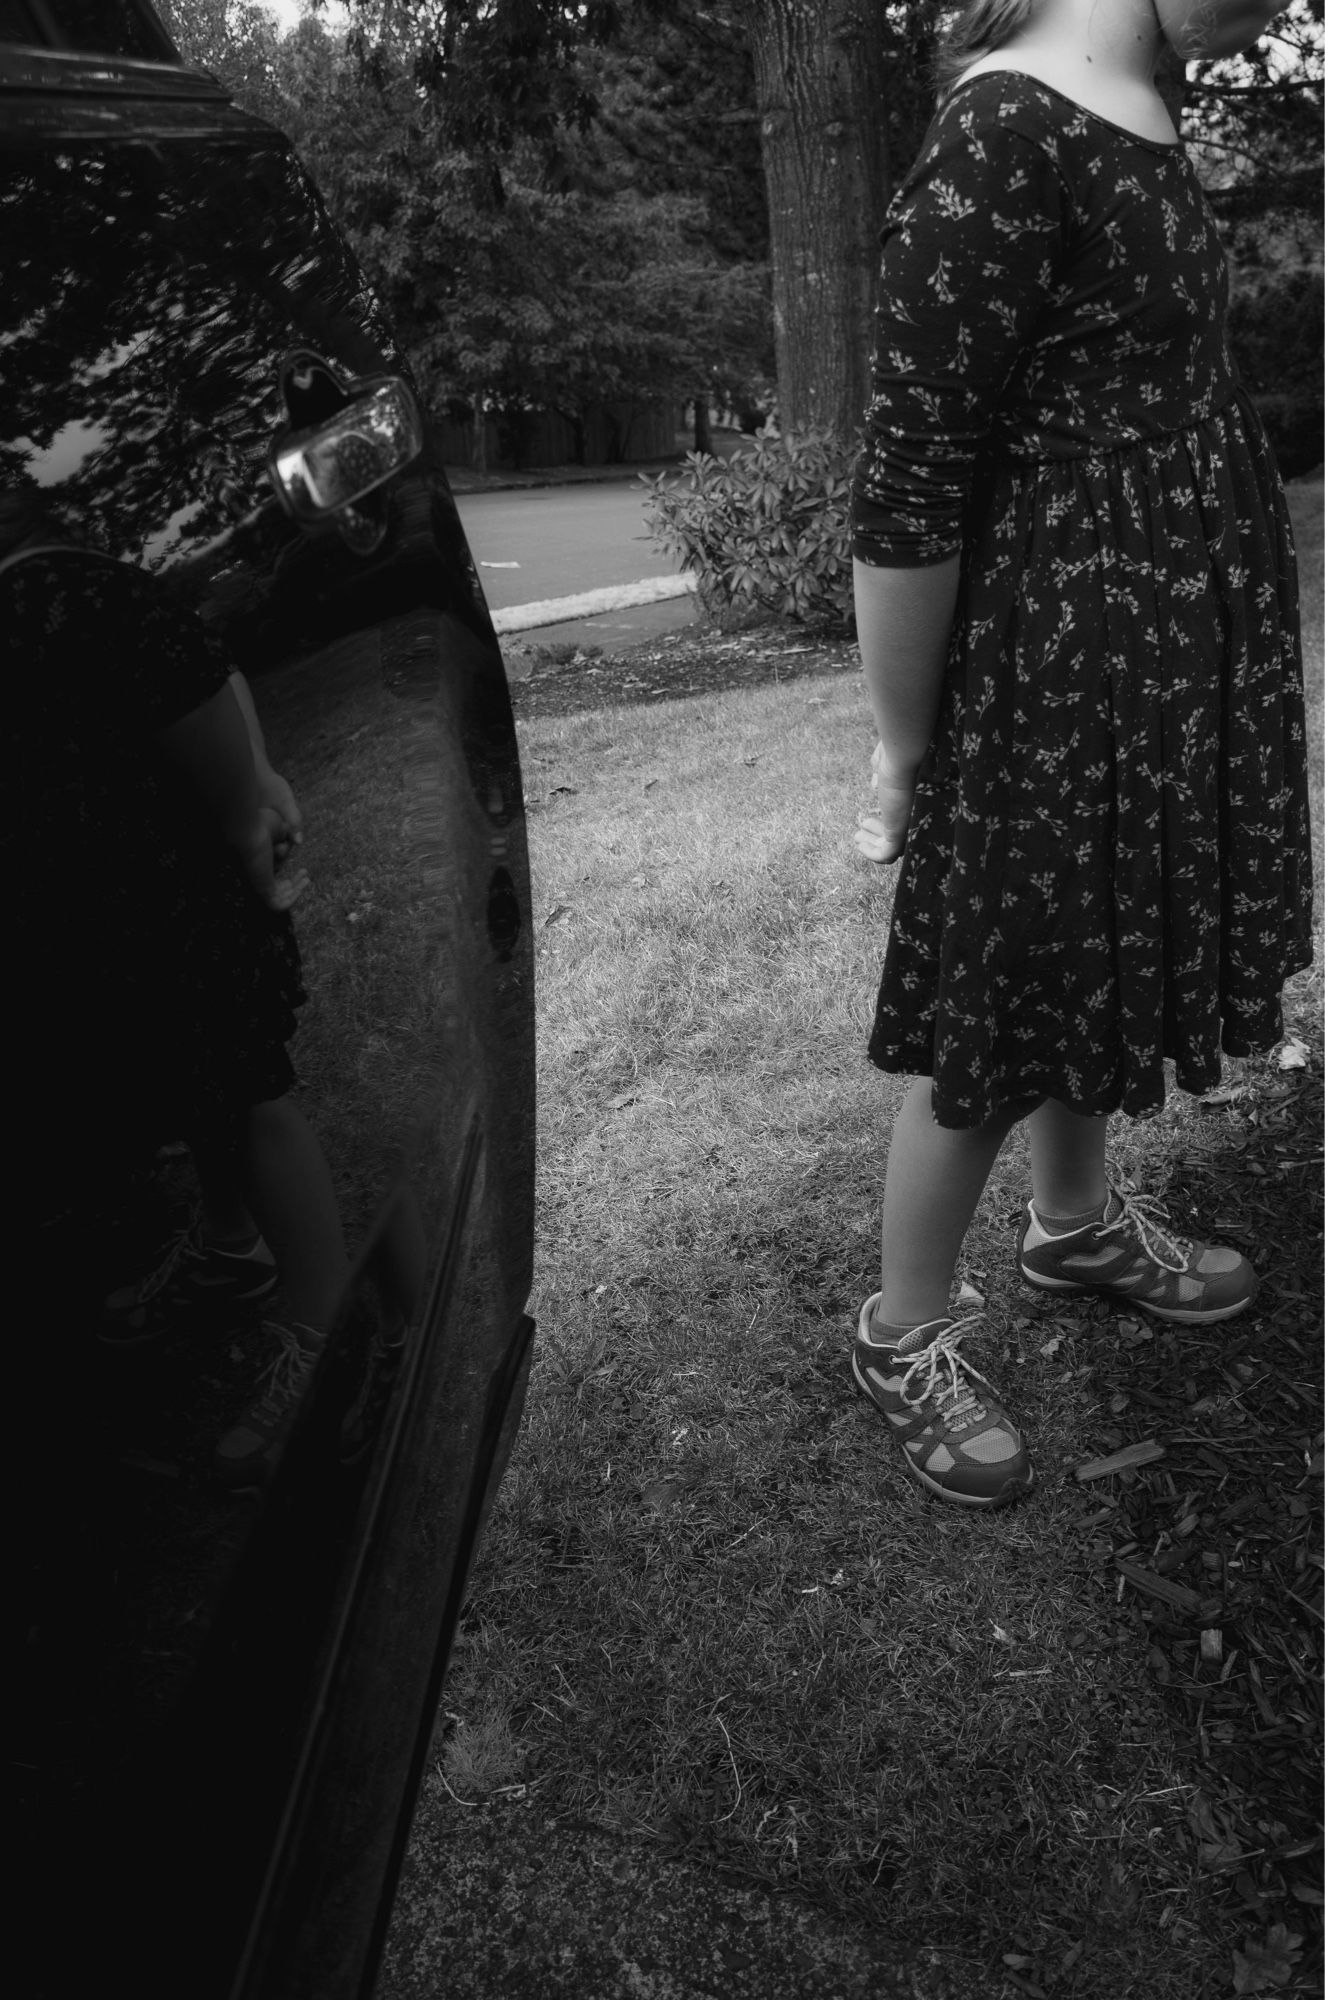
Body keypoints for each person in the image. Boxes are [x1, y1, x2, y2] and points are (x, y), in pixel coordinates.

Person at [848, 0, 1313, 1508]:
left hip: (1151, 653)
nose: (1275, 10)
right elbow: (906, 484)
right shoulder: (1003, 130)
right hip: (1053, 662)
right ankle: (901, 1329)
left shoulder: (1148, 96)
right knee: (1003, 984)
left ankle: (1075, 1225)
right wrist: (902, 747)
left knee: (1096, 953)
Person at [6, 522, 350, 1487]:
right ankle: (233, 1248)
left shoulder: (45, 585)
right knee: (180, 1080)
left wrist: (249, 810)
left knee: (242, 1089)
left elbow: (194, 674)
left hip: (172, 894)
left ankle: (326, 1327)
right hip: (88, 913)